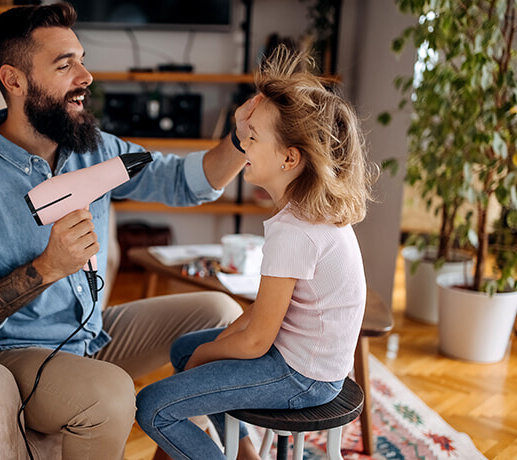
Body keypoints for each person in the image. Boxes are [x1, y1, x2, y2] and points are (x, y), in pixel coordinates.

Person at [0, 3, 254, 460]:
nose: (86, 75)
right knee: (111, 392)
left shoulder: (93, 149)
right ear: (14, 81)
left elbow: (181, 181)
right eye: (65, 64)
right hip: (10, 354)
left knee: (219, 315)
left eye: (82, 58)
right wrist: (46, 268)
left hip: (90, 337)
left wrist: (240, 139)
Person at [135, 44, 375, 460]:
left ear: (289, 158)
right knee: (182, 349)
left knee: (152, 407)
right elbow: (260, 319)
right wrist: (204, 352)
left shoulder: (294, 232)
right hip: (308, 360)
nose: (242, 143)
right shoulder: (309, 211)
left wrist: (206, 358)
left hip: (302, 376)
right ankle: (245, 451)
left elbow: (257, 340)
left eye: (252, 137)